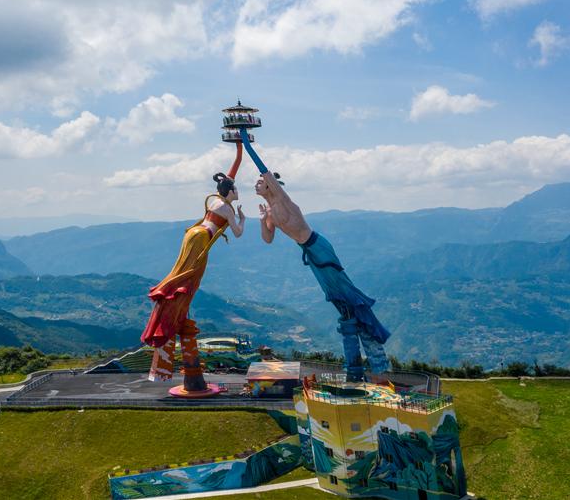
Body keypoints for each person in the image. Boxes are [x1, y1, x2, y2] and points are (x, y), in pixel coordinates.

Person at [254, 170, 390, 381]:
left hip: (318, 248)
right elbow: (268, 239)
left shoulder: (285, 203)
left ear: (271, 185)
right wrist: (263, 220)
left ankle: (369, 336)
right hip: (310, 252)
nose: (257, 184)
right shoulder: (271, 211)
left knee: (346, 294)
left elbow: (266, 172)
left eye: (261, 181)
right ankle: (357, 340)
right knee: (339, 300)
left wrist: (245, 140)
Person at [140, 142, 246, 392]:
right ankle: (175, 310)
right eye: (236, 188)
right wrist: (242, 216)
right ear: (230, 191)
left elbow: (231, 173)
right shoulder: (227, 208)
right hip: (202, 240)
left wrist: (239, 151)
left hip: (193, 234)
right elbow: (239, 233)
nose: (238, 189)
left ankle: (174, 301)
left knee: (181, 274)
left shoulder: (217, 199)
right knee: (189, 281)